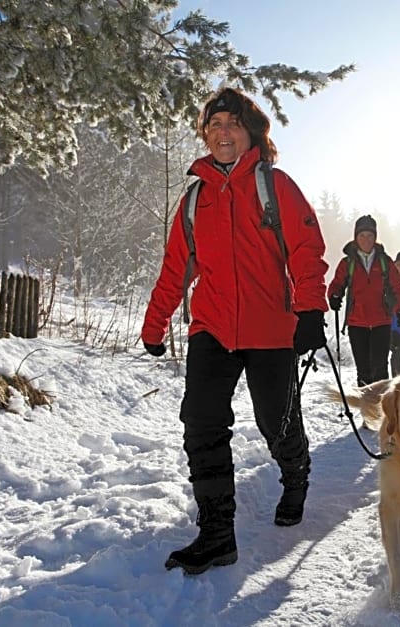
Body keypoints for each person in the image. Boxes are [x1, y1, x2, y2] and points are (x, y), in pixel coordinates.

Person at [141, 87, 329, 575]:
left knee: (276, 421)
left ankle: (295, 474)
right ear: (205, 135)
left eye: (233, 124)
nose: (223, 133)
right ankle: (216, 533)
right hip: (212, 327)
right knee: (201, 423)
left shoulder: (275, 185)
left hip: (271, 330)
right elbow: (175, 268)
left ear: (250, 133)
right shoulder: (195, 198)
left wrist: (310, 311)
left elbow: (306, 248)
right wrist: (154, 321)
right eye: (215, 125)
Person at [327, 215, 400, 386]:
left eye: (370, 235)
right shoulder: (348, 263)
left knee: (380, 369)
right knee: (363, 370)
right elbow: (336, 284)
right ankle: (366, 410)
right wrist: (334, 296)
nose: (366, 239)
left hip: (381, 322)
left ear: (375, 237)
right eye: (362, 235)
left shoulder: (385, 261)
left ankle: (380, 410)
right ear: (356, 237)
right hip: (357, 323)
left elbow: (397, 287)